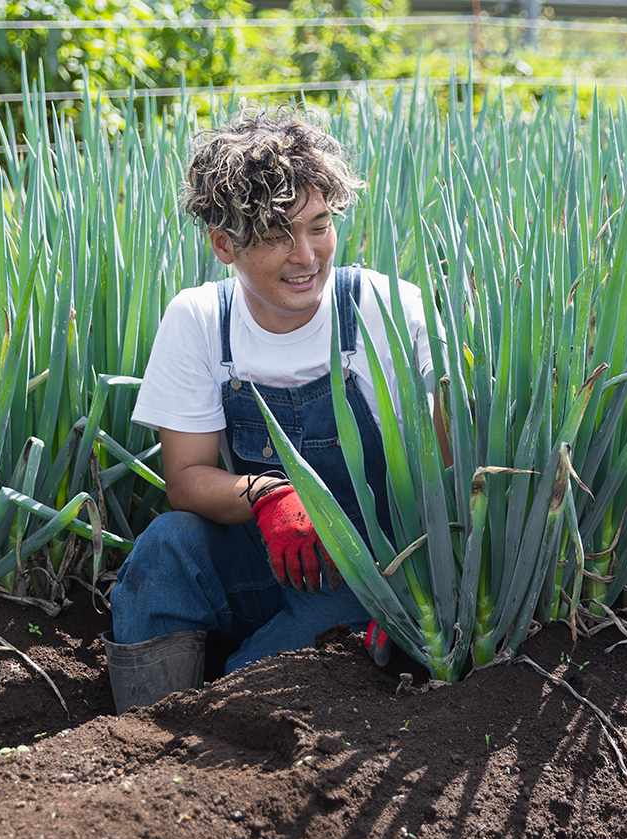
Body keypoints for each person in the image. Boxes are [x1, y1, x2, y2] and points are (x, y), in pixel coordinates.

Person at [103, 105, 432, 713]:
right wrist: (270, 495)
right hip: (264, 553)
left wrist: (418, 594)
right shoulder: (202, 320)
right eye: (278, 235)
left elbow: (442, 473)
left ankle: (204, 716)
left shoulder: (384, 310)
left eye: (319, 224)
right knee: (165, 549)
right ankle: (137, 741)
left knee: (246, 691)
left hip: (367, 576)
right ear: (225, 244)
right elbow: (186, 479)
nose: (306, 256)